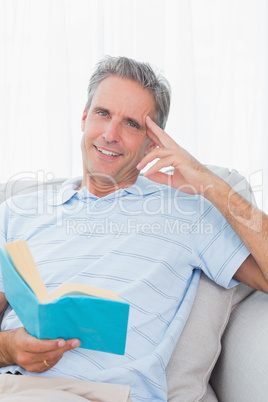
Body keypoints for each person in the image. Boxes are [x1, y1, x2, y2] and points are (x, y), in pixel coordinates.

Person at [0, 56, 267, 402]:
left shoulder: (186, 211)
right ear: (83, 117)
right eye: (102, 114)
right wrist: (6, 348)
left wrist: (211, 185)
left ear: (153, 143)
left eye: (131, 124)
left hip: (98, 394)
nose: (110, 135)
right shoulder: (19, 211)